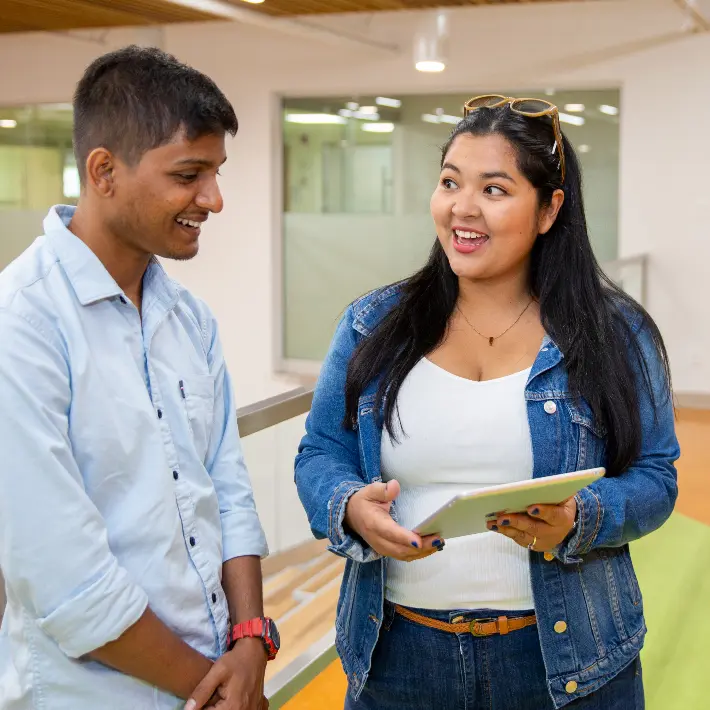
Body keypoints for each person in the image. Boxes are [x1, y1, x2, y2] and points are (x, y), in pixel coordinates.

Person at [295, 95, 679, 709]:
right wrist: (349, 511)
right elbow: (320, 453)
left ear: (550, 209)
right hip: (399, 661)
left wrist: (581, 517)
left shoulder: (614, 333)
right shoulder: (374, 324)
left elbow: (657, 478)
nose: (461, 208)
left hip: (570, 665)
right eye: (450, 182)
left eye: (494, 190)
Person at [0, 46, 280, 710]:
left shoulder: (189, 319)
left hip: (218, 674)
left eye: (216, 172)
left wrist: (248, 643)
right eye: (189, 174)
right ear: (104, 172)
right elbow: (66, 578)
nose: (212, 199)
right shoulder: (22, 324)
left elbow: (230, 495)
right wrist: (217, 691)